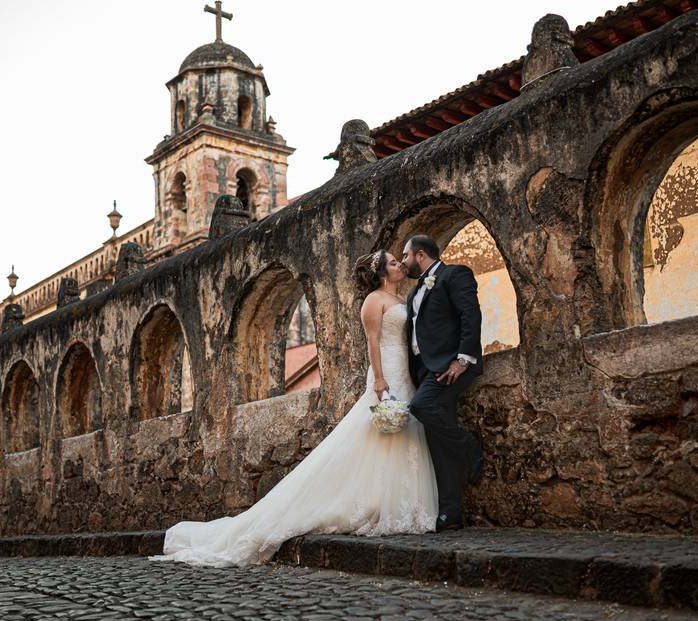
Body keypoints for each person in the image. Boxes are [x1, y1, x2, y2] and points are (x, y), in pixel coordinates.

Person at [148, 250, 437, 568]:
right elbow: (371, 342)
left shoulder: (401, 299)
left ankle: (397, 502)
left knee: (401, 436)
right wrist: (380, 380)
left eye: (399, 261)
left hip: (405, 371)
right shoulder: (374, 300)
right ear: (382, 272)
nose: (400, 265)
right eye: (394, 262)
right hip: (386, 372)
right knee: (375, 436)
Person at [401, 234, 484, 532]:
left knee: (421, 406)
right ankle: (451, 514)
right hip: (425, 370)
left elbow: (470, 315)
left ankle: (469, 447)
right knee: (437, 443)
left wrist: (462, 360)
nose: (403, 261)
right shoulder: (414, 292)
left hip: (451, 367)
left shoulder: (454, 274)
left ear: (420, 254)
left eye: (406, 255)